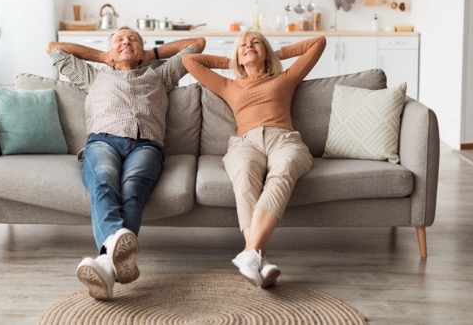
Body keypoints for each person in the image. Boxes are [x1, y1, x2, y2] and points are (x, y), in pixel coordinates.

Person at [47, 27, 205, 300]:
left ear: (142, 50)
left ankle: (106, 266)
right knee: (104, 180)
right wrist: (103, 55)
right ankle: (111, 259)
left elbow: (197, 43)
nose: (126, 42)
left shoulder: (160, 75)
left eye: (133, 39)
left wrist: (151, 54)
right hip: (103, 143)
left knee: (133, 189)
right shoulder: (93, 75)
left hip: (146, 146)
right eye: (119, 40)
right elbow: (53, 47)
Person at [183, 31, 326, 288]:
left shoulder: (286, 78)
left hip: (284, 140)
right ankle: (257, 256)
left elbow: (318, 42)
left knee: (284, 168)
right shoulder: (229, 85)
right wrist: (232, 59)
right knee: (245, 173)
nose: (249, 45)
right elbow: (189, 62)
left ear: (266, 51)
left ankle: (250, 253)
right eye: (243, 45)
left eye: (255, 42)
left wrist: (277, 53)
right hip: (245, 143)